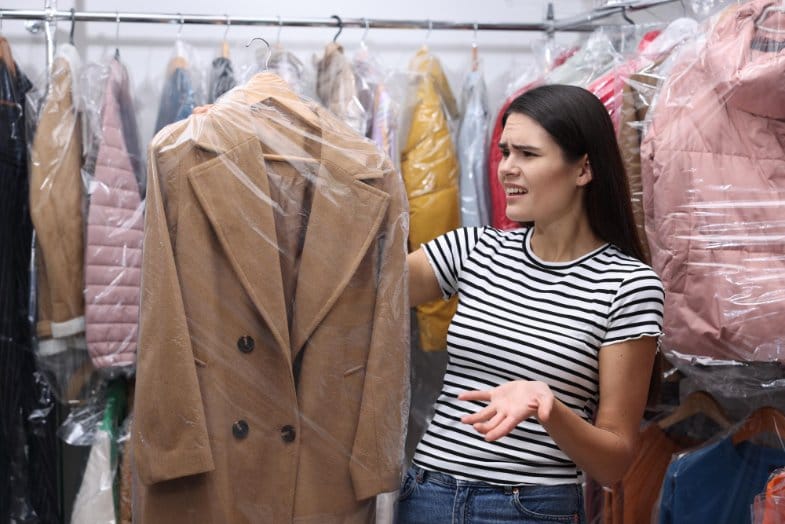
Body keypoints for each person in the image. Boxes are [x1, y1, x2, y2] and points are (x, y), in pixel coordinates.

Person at [397, 84, 664, 524]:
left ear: (583, 169)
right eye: (505, 152)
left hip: (529, 509)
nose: (506, 168)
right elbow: (360, 286)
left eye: (527, 154)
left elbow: (613, 462)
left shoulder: (628, 285)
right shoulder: (473, 249)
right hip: (428, 496)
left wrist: (547, 405)